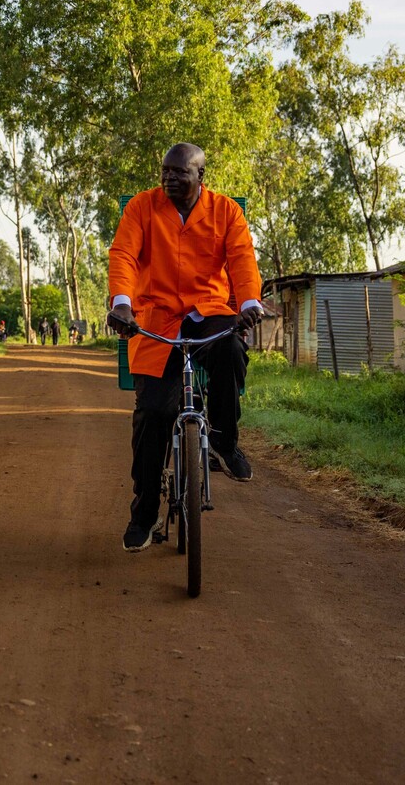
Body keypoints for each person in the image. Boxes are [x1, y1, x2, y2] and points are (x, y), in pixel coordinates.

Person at [106, 143, 263, 553]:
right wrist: (121, 301)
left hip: (209, 309)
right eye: (165, 171)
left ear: (199, 177)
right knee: (153, 412)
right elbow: (122, 254)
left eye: (179, 172)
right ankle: (144, 512)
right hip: (157, 318)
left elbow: (243, 258)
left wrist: (247, 303)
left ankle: (225, 442)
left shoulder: (226, 211)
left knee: (229, 349)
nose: (169, 178)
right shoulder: (141, 208)